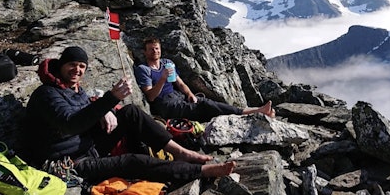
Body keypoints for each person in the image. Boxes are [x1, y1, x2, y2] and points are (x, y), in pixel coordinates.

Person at [23, 46, 236, 184]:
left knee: (131, 112)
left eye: (81, 66)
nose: (77, 70)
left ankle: (180, 152)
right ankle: (201, 171)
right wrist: (110, 99)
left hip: (88, 146)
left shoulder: (74, 90)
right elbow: (69, 124)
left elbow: (85, 108)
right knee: (132, 161)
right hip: (69, 162)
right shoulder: (46, 94)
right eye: (72, 65)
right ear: (61, 65)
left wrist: (105, 109)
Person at [134, 37, 276, 122]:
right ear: (145, 52)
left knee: (203, 102)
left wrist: (189, 94)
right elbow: (151, 97)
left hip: (177, 97)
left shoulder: (166, 63)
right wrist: (162, 79)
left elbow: (180, 83)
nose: (155, 52)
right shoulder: (144, 69)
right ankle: (254, 112)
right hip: (165, 105)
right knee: (205, 106)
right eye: (151, 49)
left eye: (157, 49)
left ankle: (254, 111)